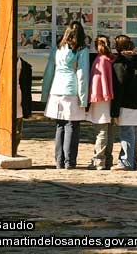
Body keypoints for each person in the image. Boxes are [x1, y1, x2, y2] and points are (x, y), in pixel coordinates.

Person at [43, 21, 90, 169]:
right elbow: (82, 75)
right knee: (72, 126)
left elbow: (49, 71)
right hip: (71, 90)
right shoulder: (81, 50)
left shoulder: (57, 48)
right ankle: (70, 161)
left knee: (60, 126)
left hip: (56, 89)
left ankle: (59, 161)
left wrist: (45, 94)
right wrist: (83, 98)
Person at [110, 35, 137, 171]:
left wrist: (114, 109)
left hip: (125, 103)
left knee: (126, 132)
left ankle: (126, 161)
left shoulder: (120, 63)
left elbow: (119, 86)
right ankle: (131, 161)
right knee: (133, 132)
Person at [87, 35, 115, 170]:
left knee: (101, 131)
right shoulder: (111, 59)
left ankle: (99, 160)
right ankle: (108, 159)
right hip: (109, 98)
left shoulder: (100, 60)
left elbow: (99, 81)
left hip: (101, 98)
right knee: (109, 130)